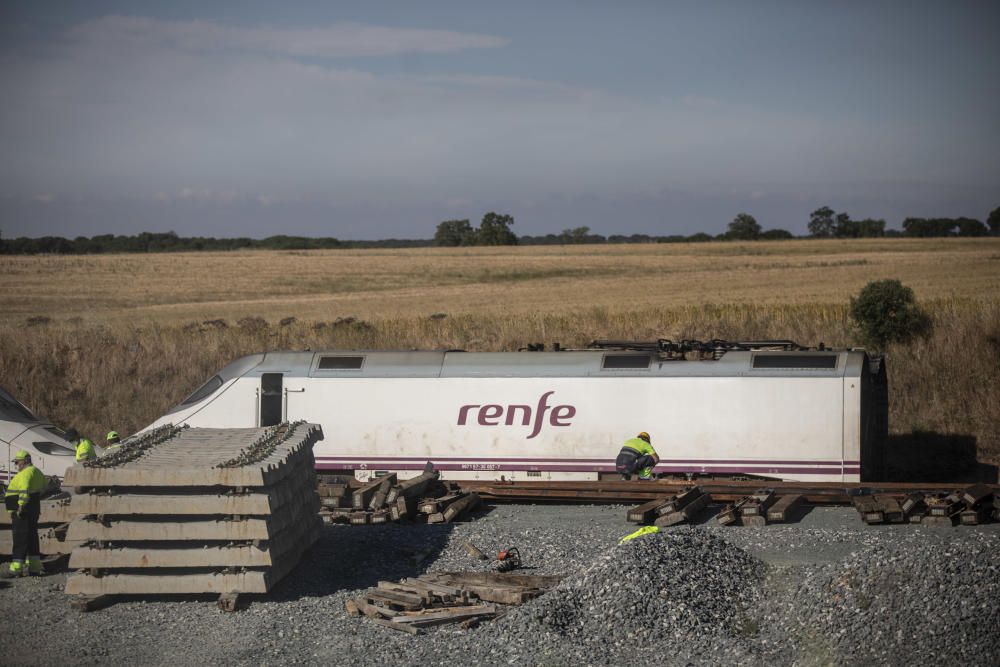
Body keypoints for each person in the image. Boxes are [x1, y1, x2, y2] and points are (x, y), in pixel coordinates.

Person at [2, 451, 48, 578]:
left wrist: (21, 506)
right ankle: (35, 567)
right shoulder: (37, 471)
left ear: (25, 461)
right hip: (33, 507)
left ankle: (16, 568)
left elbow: (24, 490)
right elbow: (45, 486)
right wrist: (34, 499)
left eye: (17, 462)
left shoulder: (25, 473)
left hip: (22, 510)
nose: (16, 464)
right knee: (31, 537)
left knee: (20, 538)